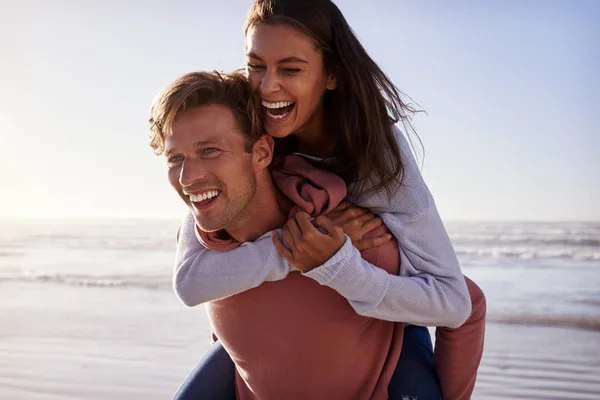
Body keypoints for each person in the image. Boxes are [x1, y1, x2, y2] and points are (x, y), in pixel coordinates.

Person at [161, 0, 486, 398]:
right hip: (276, 324)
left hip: (383, 307)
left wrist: (335, 263)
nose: (266, 87)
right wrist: (297, 249)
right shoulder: (238, 124)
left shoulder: (377, 159)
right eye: (256, 65)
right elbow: (192, 276)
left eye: (291, 69)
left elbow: (455, 300)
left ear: (332, 74)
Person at [151, 70, 428, 399]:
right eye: (175, 158)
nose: (188, 177)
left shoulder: (360, 235)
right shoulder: (208, 230)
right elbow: (189, 284)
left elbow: (462, 304)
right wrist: (297, 248)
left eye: (210, 150)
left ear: (262, 153)